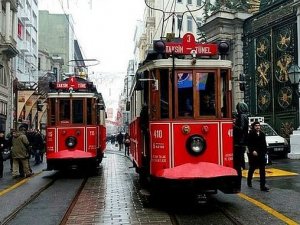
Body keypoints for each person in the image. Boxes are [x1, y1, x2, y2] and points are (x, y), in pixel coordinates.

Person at [247, 121, 269, 192]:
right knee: (252, 169)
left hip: (261, 154)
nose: (257, 127)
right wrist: (252, 151)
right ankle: (249, 180)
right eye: (256, 125)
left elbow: (264, 144)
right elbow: (249, 144)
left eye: (258, 125)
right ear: (253, 126)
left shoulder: (262, 134)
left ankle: (262, 186)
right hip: (253, 155)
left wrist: (265, 152)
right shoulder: (251, 134)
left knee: (262, 170)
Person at [233, 102, 249, 190]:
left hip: (239, 143)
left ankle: (237, 185)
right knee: (238, 164)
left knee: (237, 165)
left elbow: (241, 128)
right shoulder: (245, 116)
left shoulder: (242, 116)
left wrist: (233, 126)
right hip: (241, 143)